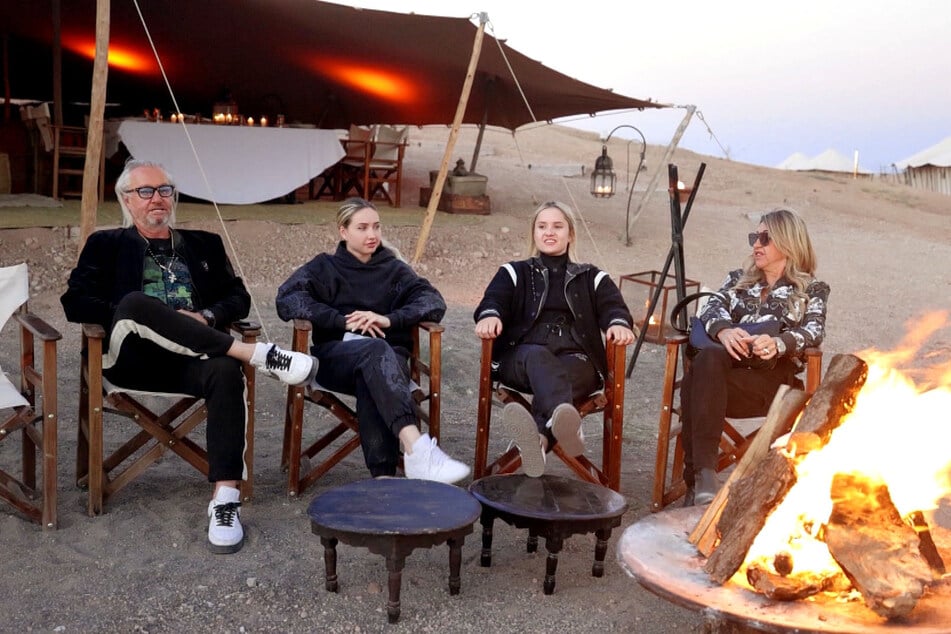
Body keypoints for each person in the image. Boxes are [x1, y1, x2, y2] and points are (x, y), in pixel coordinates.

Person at [61, 159, 315, 554]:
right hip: (131, 357)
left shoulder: (203, 244)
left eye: (165, 190)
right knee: (135, 302)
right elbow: (75, 302)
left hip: (192, 360)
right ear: (126, 200)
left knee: (226, 370)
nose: (157, 199)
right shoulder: (106, 244)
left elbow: (238, 297)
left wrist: (207, 316)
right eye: (145, 192)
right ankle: (257, 354)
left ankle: (225, 500)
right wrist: (141, 312)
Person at [275, 197, 469, 484]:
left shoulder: (394, 269)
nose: (372, 235)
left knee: (375, 366)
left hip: (388, 367)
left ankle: (383, 480)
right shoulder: (324, 267)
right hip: (336, 360)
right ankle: (416, 448)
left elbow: (432, 301)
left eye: (376, 227)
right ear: (343, 231)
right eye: (362, 227)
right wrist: (341, 320)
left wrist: (388, 319)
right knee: (376, 350)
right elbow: (287, 299)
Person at [474, 201, 636, 477]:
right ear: (534, 233)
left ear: (570, 234)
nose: (549, 232)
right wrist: (490, 316)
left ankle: (541, 439)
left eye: (558, 226)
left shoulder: (592, 277)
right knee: (539, 358)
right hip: (523, 357)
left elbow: (614, 307)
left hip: (575, 359)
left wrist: (619, 324)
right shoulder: (514, 272)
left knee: (570, 371)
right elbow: (494, 300)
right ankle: (569, 428)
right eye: (542, 226)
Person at [681, 208, 830, 506]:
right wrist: (723, 331)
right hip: (723, 380)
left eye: (765, 238)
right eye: (754, 237)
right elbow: (710, 307)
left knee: (694, 380)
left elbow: (814, 330)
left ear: (789, 243)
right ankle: (705, 473)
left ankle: (695, 481)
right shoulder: (739, 280)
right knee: (707, 361)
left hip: (770, 386)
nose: (756, 245)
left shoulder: (811, 289)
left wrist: (779, 342)